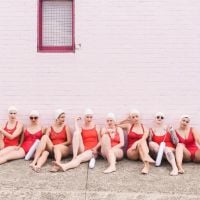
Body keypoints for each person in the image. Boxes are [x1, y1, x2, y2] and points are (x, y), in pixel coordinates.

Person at [117, 109, 154, 174]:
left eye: (137, 116)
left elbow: (144, 138)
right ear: (131, 119)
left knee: (142, 142)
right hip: (131, 151)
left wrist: (136, 143)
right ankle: (147, 164)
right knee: (141, 143)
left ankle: (146, 163)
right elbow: (115, 125)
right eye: (133, 117)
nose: (135, 118)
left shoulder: (145, 128)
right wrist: (126, 119)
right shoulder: (129, 125)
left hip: (141, 152)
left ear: (139, 117)